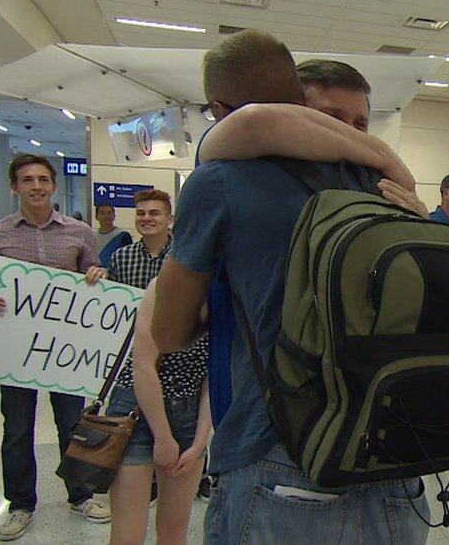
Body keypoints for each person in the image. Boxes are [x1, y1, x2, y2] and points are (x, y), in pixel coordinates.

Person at [149, 30, 429, 543]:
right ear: (299, 102)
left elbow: (167, 333)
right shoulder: (382, 182)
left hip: (278, 445)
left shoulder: (219, 182)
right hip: (395, 449)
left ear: (218, 108)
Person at [0, 154, 110, 541]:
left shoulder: (79, 232)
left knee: (73, 424)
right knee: (17, 428)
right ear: (14, 186)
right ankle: (20, 504)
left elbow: (95, 275)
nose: (36, 186)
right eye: (27, 179)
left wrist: (97, 274)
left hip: (62, 353)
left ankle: (80, 494)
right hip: (15, 351)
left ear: (53, 185)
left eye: (42, 179)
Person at [103, 188, 211, 543]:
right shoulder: (160, 286)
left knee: (174, 528)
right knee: (128, 534)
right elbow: (143, 366)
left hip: (189, 413)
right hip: (137, 410)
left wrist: (199, 442)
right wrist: (163, 436)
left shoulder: (226, 296)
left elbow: (214, 374)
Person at [93, 204, 133, 268]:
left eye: (109, 213)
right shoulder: (92, 235)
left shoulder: (123, 236)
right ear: (96, 216)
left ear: (114, 216)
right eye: (102, 213)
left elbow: (128, 260)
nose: (106, 216)